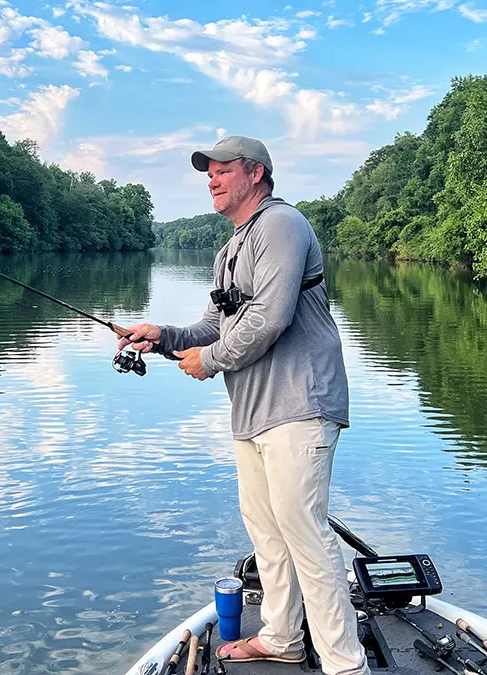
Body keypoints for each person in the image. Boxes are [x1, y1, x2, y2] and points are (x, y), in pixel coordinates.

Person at [118, 136, 369, 675]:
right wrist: (160, 334)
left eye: (221, 170)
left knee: (304, 528)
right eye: (207, 172)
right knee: (266, 529)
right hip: (253, 411)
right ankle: (281, 637)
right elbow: (216, 326)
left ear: (255, 173)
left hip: (301, 402)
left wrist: (209, 360)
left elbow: (271, 317)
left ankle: (346, 665)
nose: (210, 178)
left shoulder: (282, 225)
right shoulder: (231, 248)